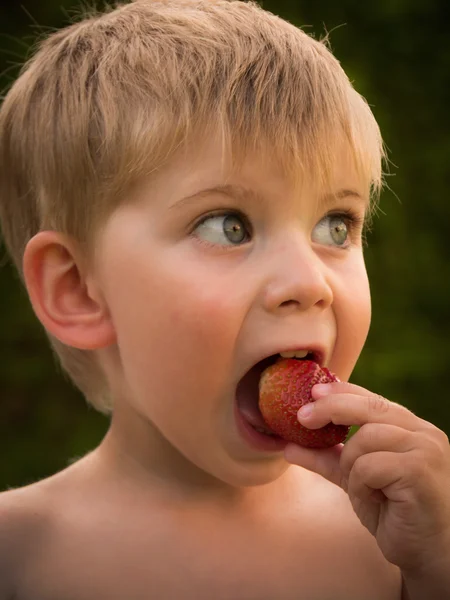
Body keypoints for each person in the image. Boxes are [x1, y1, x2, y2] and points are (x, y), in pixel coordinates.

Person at [0, 1, 449, 598]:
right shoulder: (19, 554)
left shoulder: (398, 544)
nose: (310, 281)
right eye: (227, 226)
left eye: (336, 226)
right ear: (79, 289)